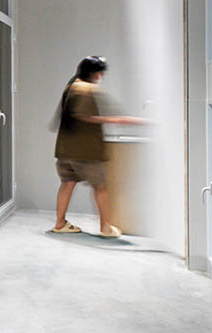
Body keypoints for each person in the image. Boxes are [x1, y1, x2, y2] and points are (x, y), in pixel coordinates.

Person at [49, 56, 146, 237]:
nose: (102, 75)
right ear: (95, 73)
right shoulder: (87, 89)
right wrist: (125, 121)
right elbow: (88, 116)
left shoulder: (71, 86)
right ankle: (105, 227)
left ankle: (60, 223)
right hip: (85, 152)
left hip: (65, 150)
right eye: (101, 72)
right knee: (100, 187)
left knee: (67, 183)